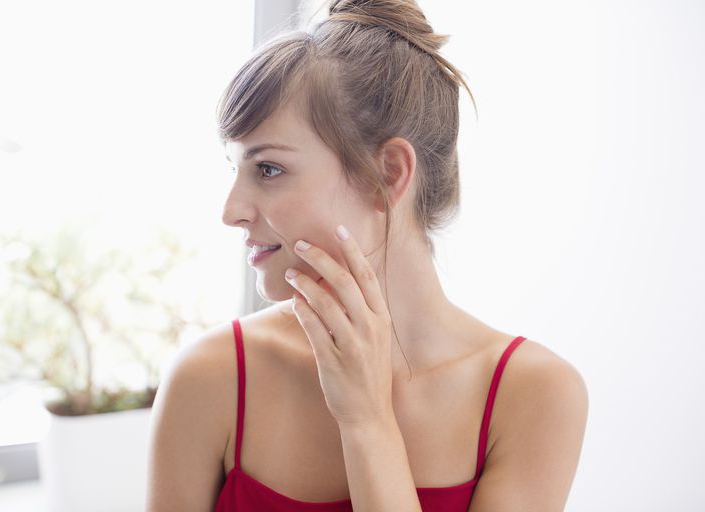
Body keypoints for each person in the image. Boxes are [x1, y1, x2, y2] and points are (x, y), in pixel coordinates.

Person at [146, 1, 589, 511]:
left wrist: (368, 422)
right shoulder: (210, 376)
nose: (231, 211)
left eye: (267, 169)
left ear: (388, 174)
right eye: (235, 169)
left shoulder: (533, 395)